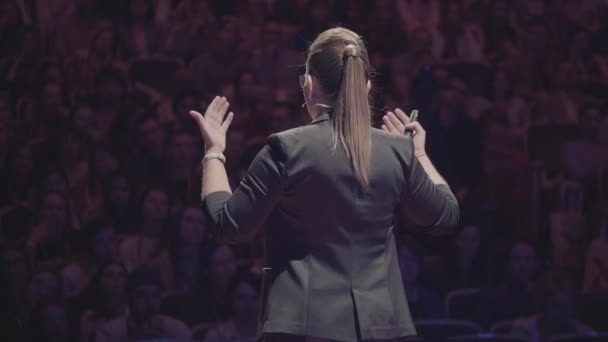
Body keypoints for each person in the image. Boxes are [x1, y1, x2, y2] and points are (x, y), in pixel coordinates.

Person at [189, 27, 459, 341]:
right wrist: (420, 154)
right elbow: (445, 216)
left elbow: (228, 226)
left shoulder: (287, 149)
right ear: (366, 87)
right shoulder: (397, 152)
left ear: (308, 84)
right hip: (384, 329)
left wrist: (213, 153)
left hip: (303, 329)